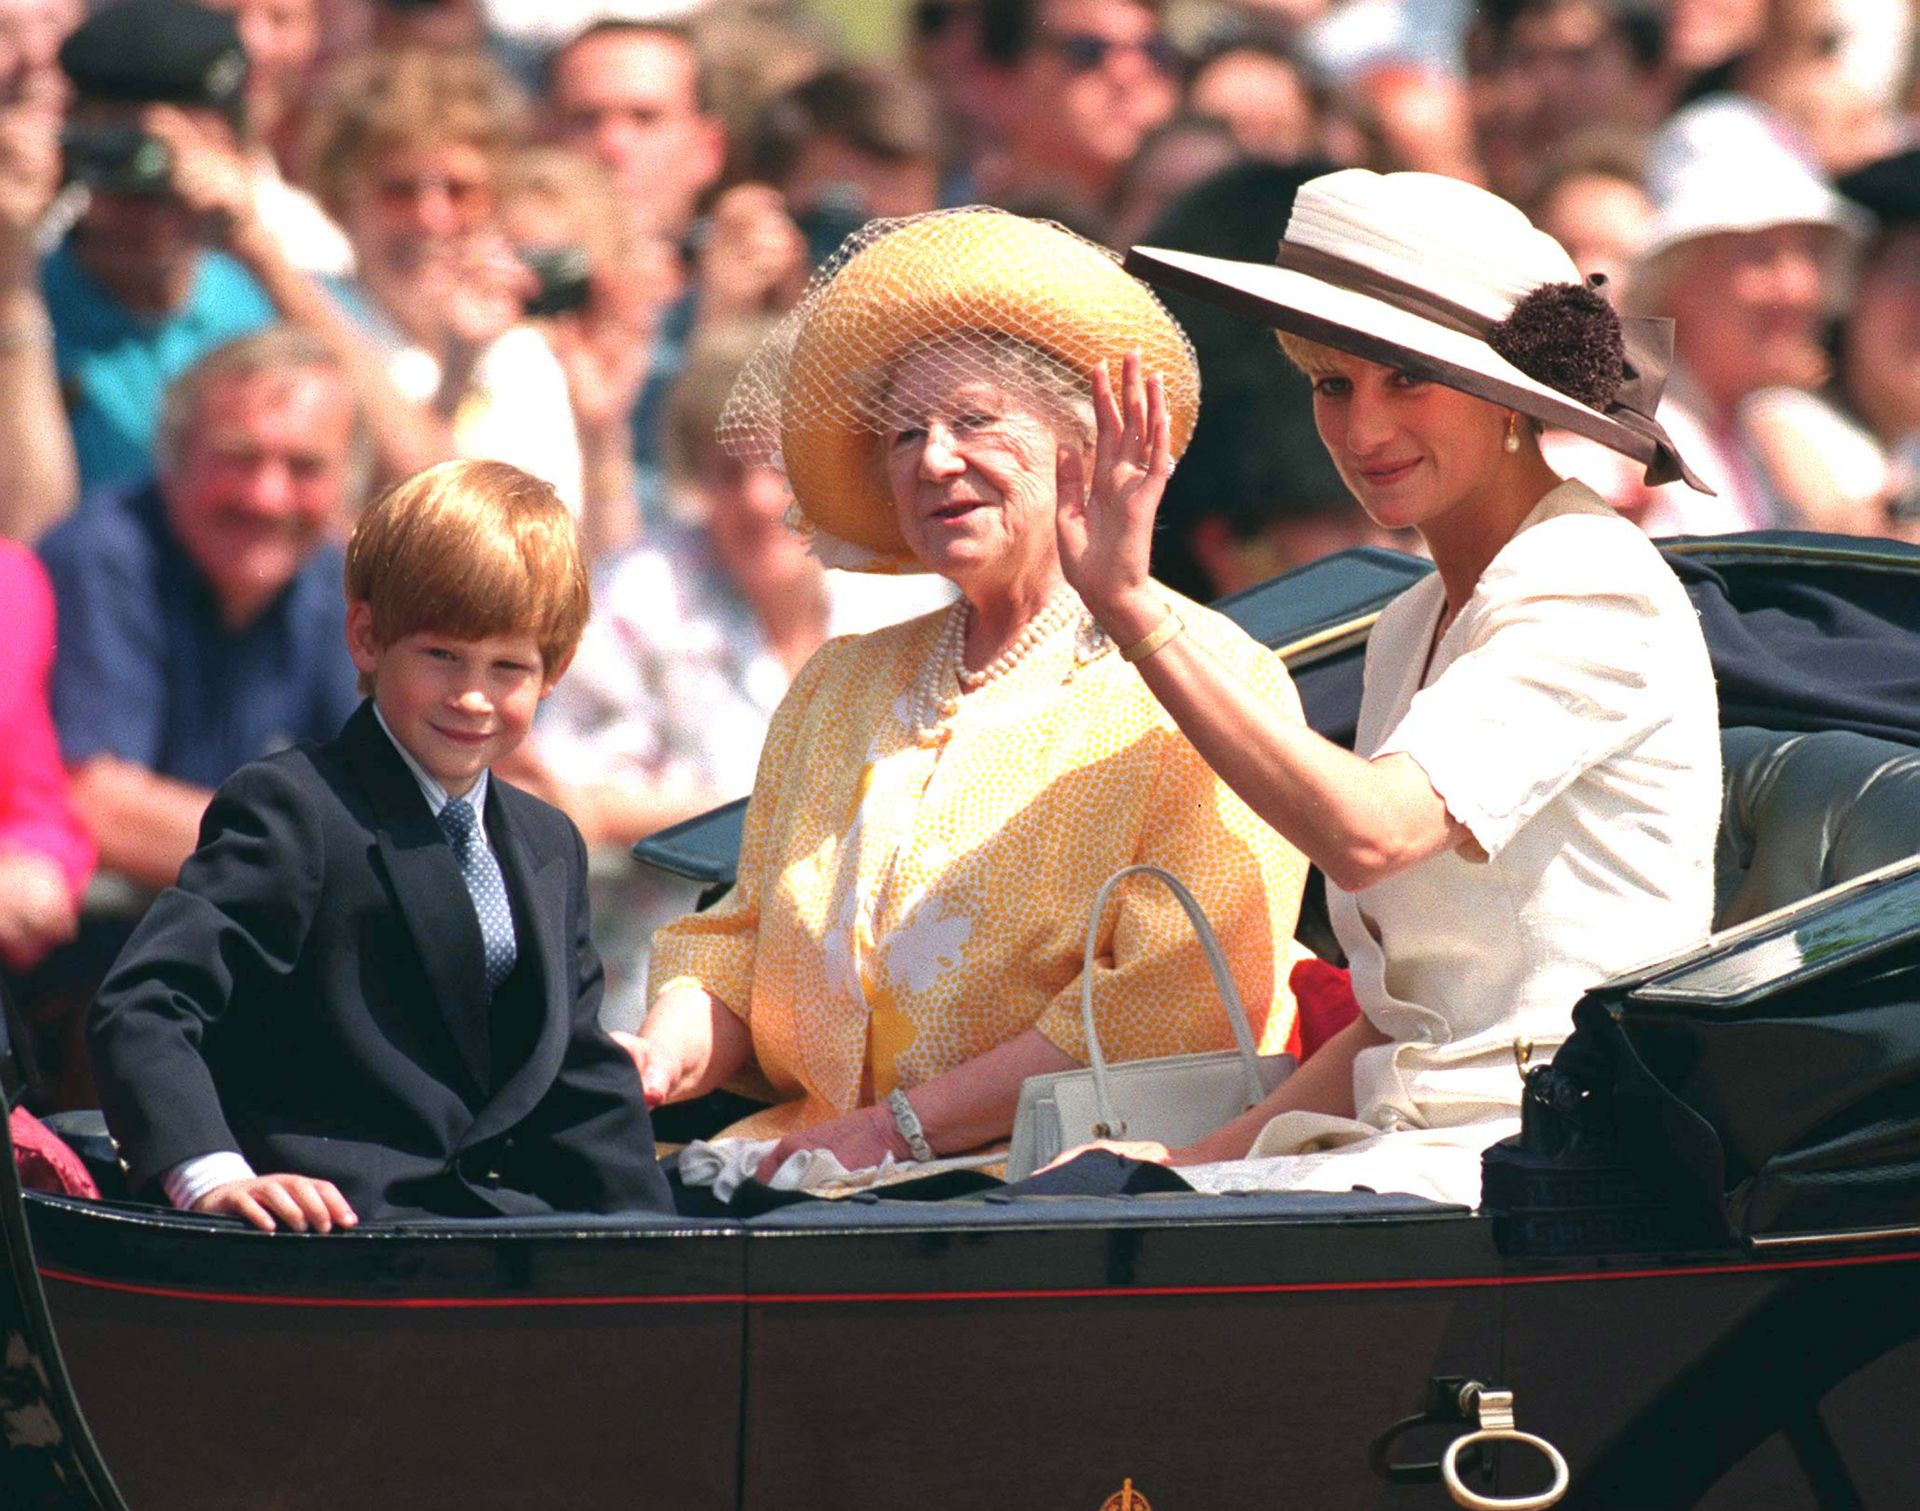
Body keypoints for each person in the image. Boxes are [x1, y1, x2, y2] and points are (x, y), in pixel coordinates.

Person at [1053, 167, 1723, 1206]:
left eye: (1404, 376)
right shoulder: (1413, 619)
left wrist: (1136, 609)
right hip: (1407, 1155)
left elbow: (1369, 834)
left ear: (1509, 399)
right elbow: (1403, 1024)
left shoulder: (1593, 580)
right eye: (1333, 384)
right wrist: (1183, 1166)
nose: (1362, 432)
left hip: (1550, 1169)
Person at [628, 209, 1310, 1186]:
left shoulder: (1201, 678)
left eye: (975, 420)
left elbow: (1177, 1000)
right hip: (799, 1174)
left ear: (1084, 442)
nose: (932, 459)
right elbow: (741, 942)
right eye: (905, 434)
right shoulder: (840, 684)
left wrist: (899, 1127)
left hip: (1054, 1194)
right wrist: (658, 1052)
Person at [87, 458, 672, 1230]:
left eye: (507, 667)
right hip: (329, 1237)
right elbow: (148, 1002)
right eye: (441, 655)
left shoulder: (545, 840)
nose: (471, 695)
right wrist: (212, 1172)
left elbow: (576, 1071)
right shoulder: (296, 808)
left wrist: (661, 1247)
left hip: (501, 1236)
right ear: (366, 637)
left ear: (554, 671)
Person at [39, 327, 364, 893]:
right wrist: (323, 855)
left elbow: (396, 779)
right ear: (173, 458)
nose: (266, 497)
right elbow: (95, 801)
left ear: (345, 487)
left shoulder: (336, 581)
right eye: (238, 458)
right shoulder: (101, 556)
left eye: (304, 467)